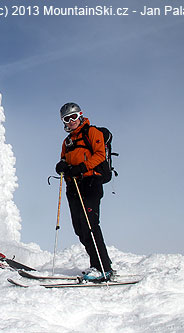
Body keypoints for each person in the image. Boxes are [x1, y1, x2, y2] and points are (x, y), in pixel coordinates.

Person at [55, 102, 113, 282]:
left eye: (73, 117)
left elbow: (100, 155)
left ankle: (104, 268)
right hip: (73, 186)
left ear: (80, 115)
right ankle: (96, 264)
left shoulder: (92, 132)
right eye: (67, 119)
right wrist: (61, 166)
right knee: (80, 228)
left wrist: (81, 168)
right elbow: (64, 159)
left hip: (90, 181)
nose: (71, 121)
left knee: (90, 224)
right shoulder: (67, 142)